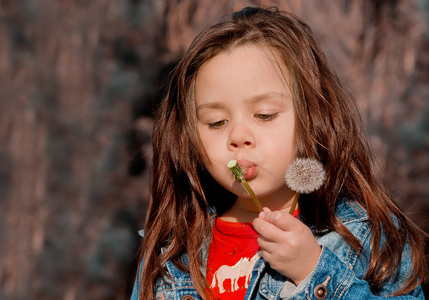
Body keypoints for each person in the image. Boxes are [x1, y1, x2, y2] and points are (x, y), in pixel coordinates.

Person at [131, 6, 426, 300]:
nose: (238, 137)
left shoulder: (364, 235)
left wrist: (313, 271)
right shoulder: (172, 250)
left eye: (265, 115)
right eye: (216, 122)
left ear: (313, 117)